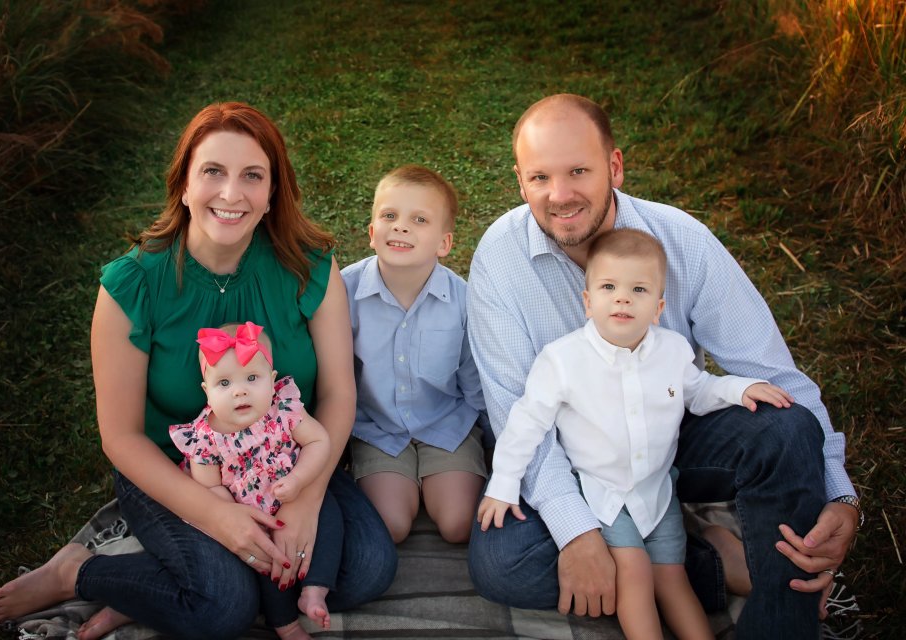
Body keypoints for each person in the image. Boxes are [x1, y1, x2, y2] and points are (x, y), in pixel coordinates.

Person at [0, 101, 396, 640]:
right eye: (213, 172)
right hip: (176, 469)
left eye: (252, 176)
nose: (231, 194)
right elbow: (121, 437)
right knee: (222, 606)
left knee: (366, 570)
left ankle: (155, 590)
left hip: (287, 457)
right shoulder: (131, 286)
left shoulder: (308, 267)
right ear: (182, 184)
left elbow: (340, 394)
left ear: (272, 193)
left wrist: (308, 498)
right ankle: (79, 572)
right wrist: (218, 517)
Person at [465, 94, 861, 639]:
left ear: (615, 166)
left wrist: (839, 492)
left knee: (785, 423)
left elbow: (776, 374)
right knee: (503, 562)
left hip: (669, 437)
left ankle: (780, 625)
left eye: (578, 170)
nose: (560, 196)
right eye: (539, 178)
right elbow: (516, 415)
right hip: (570, 453)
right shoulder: (500, 260)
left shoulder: (681, 239)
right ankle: (716, 562)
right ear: (520, 181)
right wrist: (578, 532)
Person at [477, 228, 796, 639]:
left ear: (658, 307)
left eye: (638, 289)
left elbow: (698, 392)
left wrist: (739, 387)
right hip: (603, 492)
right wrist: (503, 484)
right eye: (609, 287)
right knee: (635, 572)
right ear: (588, 302)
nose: (623, 298)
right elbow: (525, 425)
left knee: (672, 577)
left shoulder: (672, 349)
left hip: (657, 491)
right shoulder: (562, 360)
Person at [341, 165, 488, 544]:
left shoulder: (463, 300)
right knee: (391, 524)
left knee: (457, 524)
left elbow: (473, 377)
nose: (401, 227)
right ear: (372, 233)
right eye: (389, 216)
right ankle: (398, 481)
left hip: (445, 424)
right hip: (379, 428)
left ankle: (441, 478)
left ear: (444, 243)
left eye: (419, 220)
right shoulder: (344, 292)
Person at [169, 321, 338, 636]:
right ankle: (285, 625)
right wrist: (235, 515)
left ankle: (315, 589)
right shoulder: (204, 438)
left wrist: (300, 480)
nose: (239, 390)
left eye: (251, 378)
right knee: (264, 561)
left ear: (272, 381)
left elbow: (319, 441)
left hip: (296, 495)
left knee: (329, 517)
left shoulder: (282, 409)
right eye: (224, 383)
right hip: (251, 516)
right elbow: (208, 487)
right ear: (206, 390)